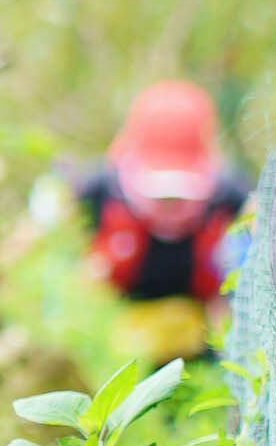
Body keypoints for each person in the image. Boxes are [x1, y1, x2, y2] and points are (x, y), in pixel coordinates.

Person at [74, 79, 250, 363]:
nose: (169, 207)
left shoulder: (231, 199)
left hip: (204, 342)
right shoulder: (97, 192)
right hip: (116, 343)